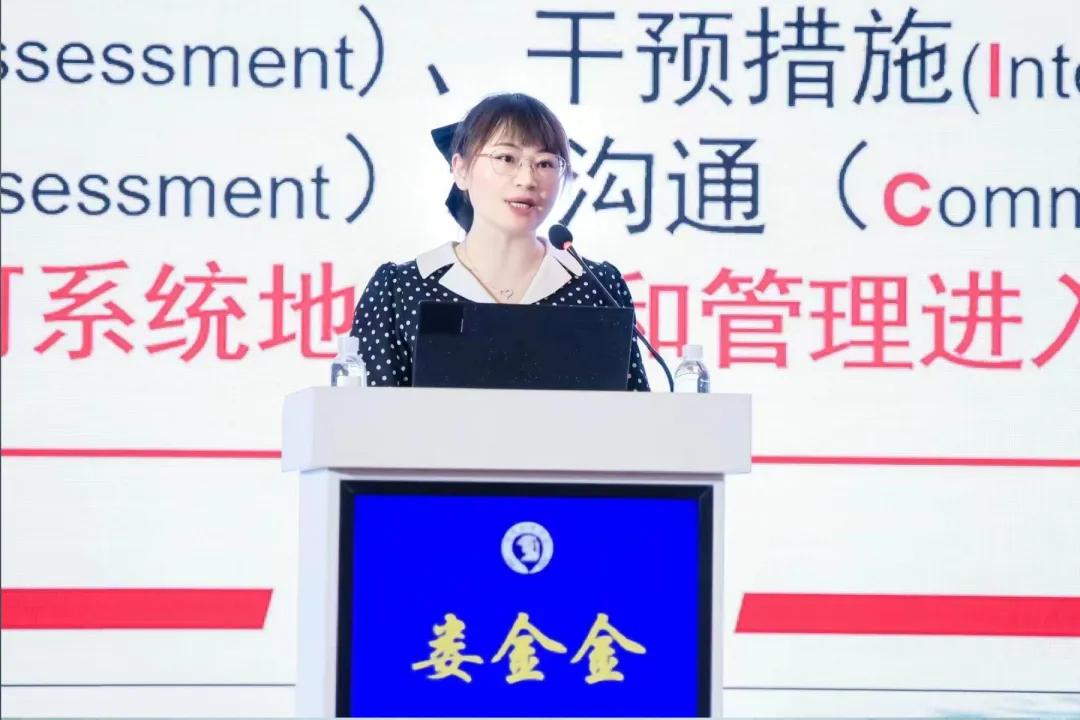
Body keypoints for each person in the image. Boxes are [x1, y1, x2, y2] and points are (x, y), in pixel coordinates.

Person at [349, 92, 649, 390]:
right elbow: (366, 414)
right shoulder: (399, 290)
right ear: (460, 169)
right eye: (506, 158)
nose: (527, 179)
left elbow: (635, 411)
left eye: (545, 163)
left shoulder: (598, 287)